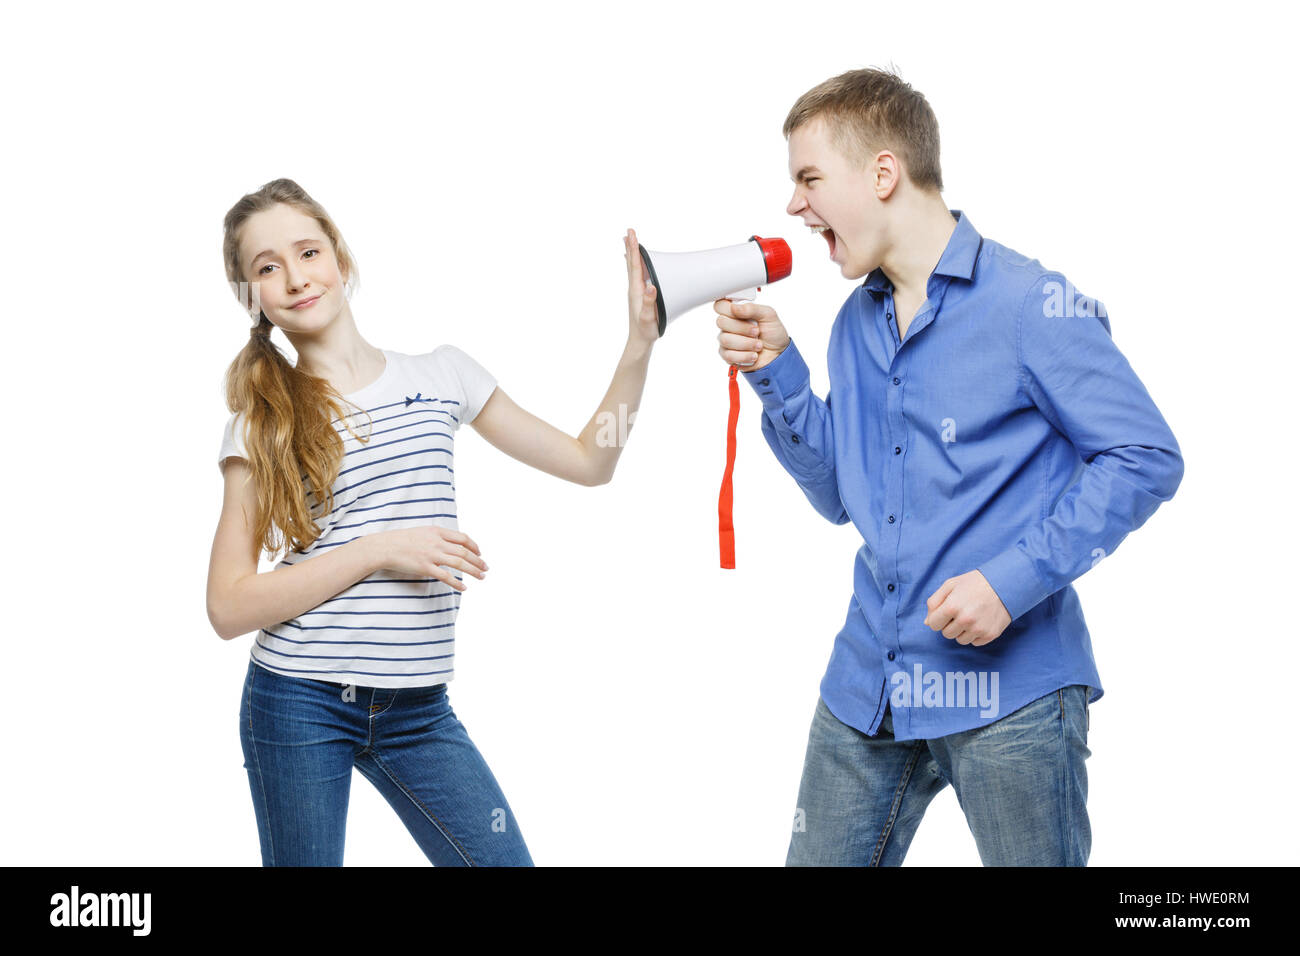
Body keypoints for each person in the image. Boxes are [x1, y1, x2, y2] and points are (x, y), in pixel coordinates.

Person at [714, 68, 1184, 866]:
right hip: (869, 683)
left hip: (1015, 696)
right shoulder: (853, 326)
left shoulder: (1031, 305)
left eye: (809, 178)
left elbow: (1146, 456)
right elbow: (840, 497)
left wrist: (1012, 579)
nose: (794, 206)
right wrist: (780, 371)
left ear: (884, 173)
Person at [207, 178, 660, 866]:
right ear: (251, 296)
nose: (296, 277)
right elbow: (227, 604)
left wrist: (639, 344)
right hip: (297, 700)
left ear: (341, 257)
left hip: (417, 711)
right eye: (268, 267)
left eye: (308, 251)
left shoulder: (444, 374)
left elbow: (590, 461)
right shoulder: (262, 422)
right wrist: (378, 551)